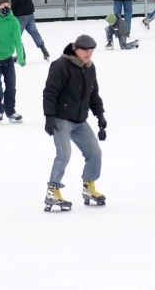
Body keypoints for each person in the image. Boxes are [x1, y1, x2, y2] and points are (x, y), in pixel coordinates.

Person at [42, 34, 107, 212]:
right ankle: (52, 191)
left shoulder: (89, 67)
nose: (89, 54)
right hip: (61, 119)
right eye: (85, 51)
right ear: (75, 49)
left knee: (94, 153)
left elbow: (93, 94)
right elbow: (50, 92)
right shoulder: (61, 66)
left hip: (80, 120)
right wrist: (49, 116)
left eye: (91, 51)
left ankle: (89, 187)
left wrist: (100, 115)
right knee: (64, 154)